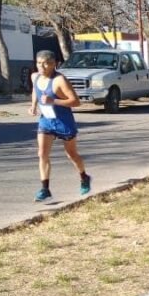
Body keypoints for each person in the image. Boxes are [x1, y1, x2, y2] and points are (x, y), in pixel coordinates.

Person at [28, 50, 90, 202]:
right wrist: (34, 105)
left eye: (46, 63)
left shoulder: (60, 80)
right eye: (38, 63)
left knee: (72, 154)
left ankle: (84, 177)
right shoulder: (35, 76)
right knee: (42, 154)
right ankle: (45, 188)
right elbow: (35, 91)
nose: (42, 66)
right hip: (46, 121)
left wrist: (54, 101)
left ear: (54, 64)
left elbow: (76, 101)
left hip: (63, 121)